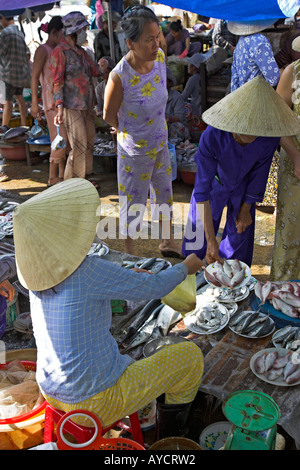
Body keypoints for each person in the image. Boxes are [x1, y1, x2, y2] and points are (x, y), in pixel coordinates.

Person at [12, 178, 205, 439]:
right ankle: (171, 438)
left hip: (51, 390)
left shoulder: (36, 274)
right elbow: (157, 286)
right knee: (190, 357)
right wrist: (186, 267)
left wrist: (126, 275)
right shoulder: (88, 271)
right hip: (94, 403)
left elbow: (85, 291)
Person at [181, 76, 300, 266]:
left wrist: (246, 208)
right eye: (243, 132)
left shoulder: (268, 137)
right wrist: (211, 241)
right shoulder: (212, 136)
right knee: (198, 238)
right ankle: (190, 278)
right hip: (214, 183)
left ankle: (234, 285)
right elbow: (202, 191)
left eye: (255, 131)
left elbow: (259, 175)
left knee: (239, 238)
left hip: (245, 187)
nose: (250, 136)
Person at [103, 5, 184, 258]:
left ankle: (167, 242)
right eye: (149, 40)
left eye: (157, 36)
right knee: (134, 202)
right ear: (130, 43)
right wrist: (127, 131)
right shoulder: (119, 76)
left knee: (164, 195)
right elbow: (108, 114)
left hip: (161, 144)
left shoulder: (159, 59)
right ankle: (130, 252)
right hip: (135, 153)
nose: (156, 44)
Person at [50, 11, 100, 181]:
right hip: (71, 106)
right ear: (75, 31)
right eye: (84, 29)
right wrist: (59, 108)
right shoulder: (60, 52)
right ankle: (74, 182)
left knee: (88, 144)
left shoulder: (82, 51)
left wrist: (105, 66)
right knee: (78, 145)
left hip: (87, 105)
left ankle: (85, 178)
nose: (85, 32)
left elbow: (95, 71)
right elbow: (57, 82)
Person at [271, 36, 300, 281]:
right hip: (295, 168)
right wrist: (296, 156)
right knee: (290, 236)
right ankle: (283, 296)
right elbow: (277, 124)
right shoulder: (292, 73)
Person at [30, 16, 68, 187]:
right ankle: (52, 178)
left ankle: (61, 175)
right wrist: (33, 103)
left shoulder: (60, 49)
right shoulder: (42, 50)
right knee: (59, 139)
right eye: (62, 33)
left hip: (60, 101)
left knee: (62, 140)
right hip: (50, 101)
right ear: (54, 32)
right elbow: (34, 78)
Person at [228, 19, 280, 91]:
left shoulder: (240, 43)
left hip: (243, 95)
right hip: (259, 95)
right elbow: (273, 78)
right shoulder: (260, 40)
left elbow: (234, 79)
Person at [0, 13, 30, 134]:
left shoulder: (5, 33)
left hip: (8, 73)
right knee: (20, 97)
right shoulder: (19, 33)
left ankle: (4, 127)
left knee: (7, 101)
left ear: (3, 18)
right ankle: (24, 125)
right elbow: (27, 54)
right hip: (20, 74)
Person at [166, 68, 190, 142]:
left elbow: (179, 116)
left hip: (173, 127)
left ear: (169, 83)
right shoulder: (153, 96)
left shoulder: (176, 96)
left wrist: (167, 119)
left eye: (164, 80)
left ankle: (175, 145)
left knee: (176, 126)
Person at [182, 53, 207, 117]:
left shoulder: (193, 79)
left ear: (194, 67)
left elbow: (183, 98)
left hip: (196, 112)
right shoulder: (202, 77)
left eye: (190, 64)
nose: (188, 66)